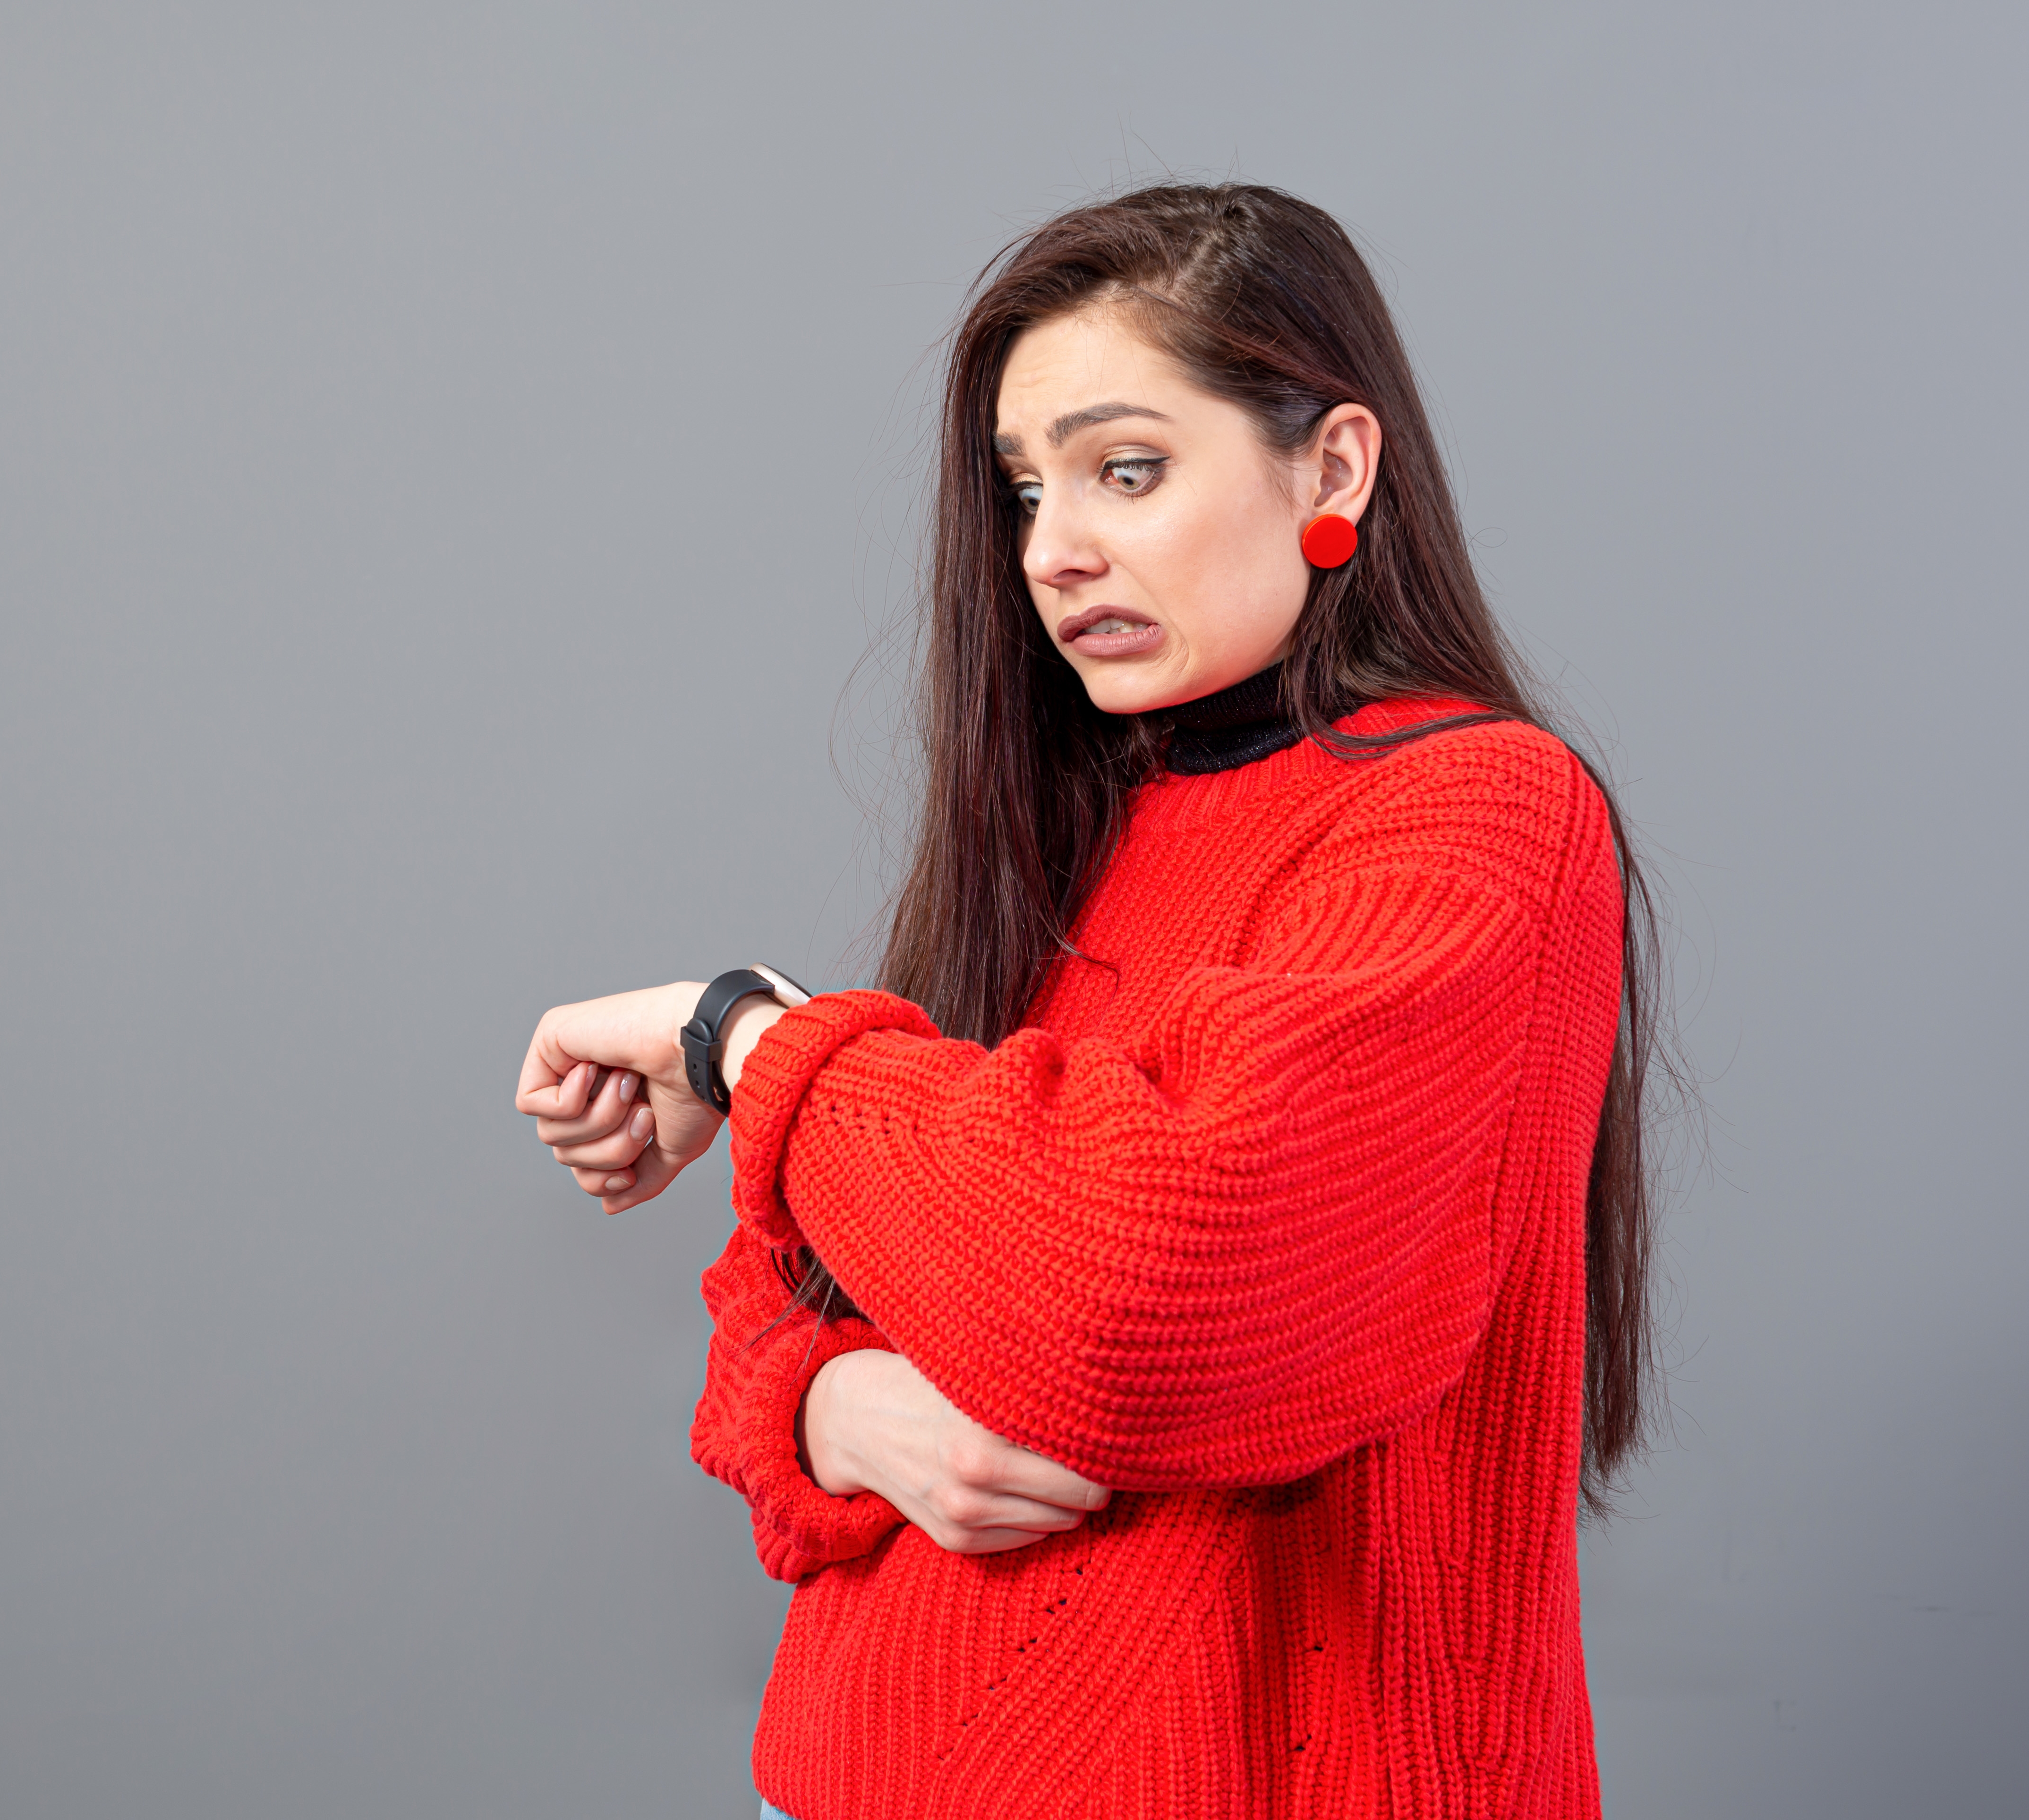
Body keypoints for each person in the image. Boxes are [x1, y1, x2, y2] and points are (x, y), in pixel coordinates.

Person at [512, 183, 1661, 1820]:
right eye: (1026, 488)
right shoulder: (1070, 831)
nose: (1054, 548)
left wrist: (748, 1041)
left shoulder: (1474, 811)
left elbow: (1148, 1285)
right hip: (841, 1777)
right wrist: (834, 1405)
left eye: (1129, 469)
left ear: (1331, 468)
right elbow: (790, 1289)